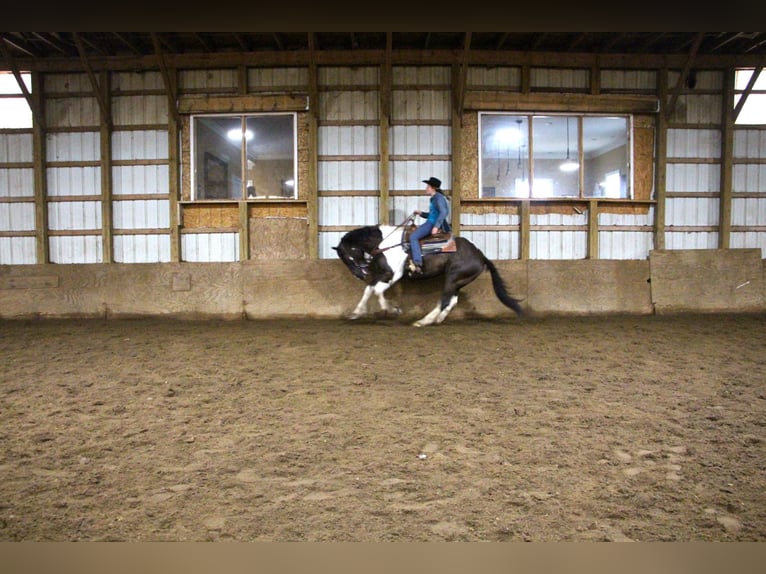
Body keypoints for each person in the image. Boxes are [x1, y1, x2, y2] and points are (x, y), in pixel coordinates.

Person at [408, 176, 450, 276]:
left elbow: (444, 212)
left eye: (428, 186)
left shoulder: (438, 198)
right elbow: (433, 214)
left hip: (431, 224)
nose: (426, 188)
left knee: (413, 237)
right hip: (431, 222)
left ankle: (417, 263)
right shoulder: (434, 198)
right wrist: (421, 213)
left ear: (433, 188)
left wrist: (436, 226)